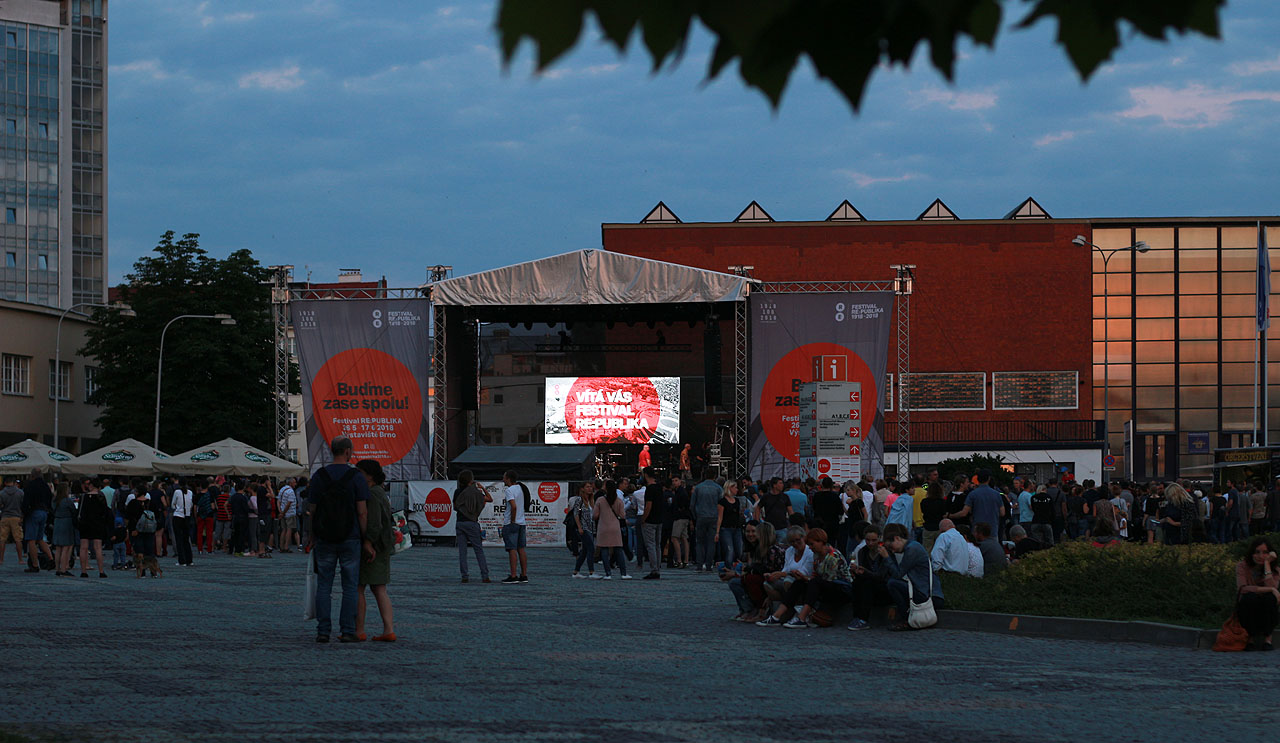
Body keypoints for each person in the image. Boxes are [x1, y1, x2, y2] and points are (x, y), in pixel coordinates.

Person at [308, 436, 371, 643]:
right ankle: (347, 630)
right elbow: (362, 512)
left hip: (325, 538)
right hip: (350, 537)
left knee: (324, 586)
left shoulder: (319, 476)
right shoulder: (356, 477)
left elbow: (312, 510)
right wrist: (366, 538)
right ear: (347, 451)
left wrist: (312, 534)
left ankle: (323, 631)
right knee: (350, 586)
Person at [757, 528, 850, 628]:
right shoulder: (816, 555)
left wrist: (806, 578)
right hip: (824, 584)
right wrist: (803, 578)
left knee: (812, 583)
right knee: (798, 583)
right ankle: (776, 616)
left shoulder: (833, 556)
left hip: (841, 587)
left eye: (811, 544)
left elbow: (827, 580)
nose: (809, 547)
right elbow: (815, 576)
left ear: (821, 542)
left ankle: (801, 617)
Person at [354, 459, 395, 642]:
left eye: (360, 473)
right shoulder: (380, 492)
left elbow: (374, 523)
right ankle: (388, 629)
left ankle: (359, 630)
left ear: (368, 476)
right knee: (380, 589)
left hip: (374, 546)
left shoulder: (371, 494)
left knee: (359, 587)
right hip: (384, 546)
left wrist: (368, 542)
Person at [880, 523, 944, 631]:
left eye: (891, 547)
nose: (893, 551)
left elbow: (898, 574)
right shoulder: (913, 546)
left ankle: (906, 619)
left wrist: (887, 557)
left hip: (927, 594)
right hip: (926, 591)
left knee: (892, 584)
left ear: (897, 538)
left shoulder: (912, 549)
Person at [756, 525, 816, 626]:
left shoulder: (809, 553)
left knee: (789, 581)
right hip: (788, 580)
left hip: (802, 581)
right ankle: (785, 610)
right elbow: (786, 569)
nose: (795, 544)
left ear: (803, 538)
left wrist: (782, 574)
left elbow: (804, 572)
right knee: (767, 583)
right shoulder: (789, 551)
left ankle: (786, 612)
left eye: (798, 540)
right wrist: (773, 576)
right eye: (792, 542)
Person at [1235, 537, 1279, 651]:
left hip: (1266, 604)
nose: (1260, 556)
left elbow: (1273, 587)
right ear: (1252, 553)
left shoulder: (1276, 570)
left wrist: (1267, 564)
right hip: (1248, 603)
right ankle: (1250, 639)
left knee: (1270, 599)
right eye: (1257, 552)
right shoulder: (1242, 566)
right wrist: (1269, 590)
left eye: (1265, 553)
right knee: (1250, 598)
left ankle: (1268, 640)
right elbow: (1243, 588)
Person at [846, 525, 893, 631]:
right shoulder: (863, 551)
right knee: (857, 582)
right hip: (870, 585)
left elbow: (882, 576)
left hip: (884, 587)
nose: (870, 543)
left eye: (874, 540)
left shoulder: (884, 552)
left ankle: (863, 619)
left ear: (879, 538)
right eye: (868, 540)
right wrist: (857, 572)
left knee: (867, 583)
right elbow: (865, 574)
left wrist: (865, 572)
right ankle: (857, 616)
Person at [453, 470, 492, 583]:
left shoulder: (457, 492)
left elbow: (455, 506)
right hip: (472, 522)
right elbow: (489, 499)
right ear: (471, 480)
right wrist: (482, 488)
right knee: (478, 550)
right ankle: (485, 575)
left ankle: (464, 576)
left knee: (462, 552)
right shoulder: (476, 493)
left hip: (460, 522)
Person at [592, 482, 629, 579]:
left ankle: (608, 573)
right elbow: (622, 515)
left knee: (604, 550)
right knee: (618, 550)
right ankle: (623, 573)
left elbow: (595, 515)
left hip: (603, 527)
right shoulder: (619, 501)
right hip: (615, 527)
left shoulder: (600, 500)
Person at [500, 470, 531, 584]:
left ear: (508, 478)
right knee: (521, 549)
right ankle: (524, 574)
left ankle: (513, 576)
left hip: (512, 523)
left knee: (511, 549)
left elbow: (513, 506)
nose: (503, 479)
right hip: (522, 522)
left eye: (504, 477)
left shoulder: (509, 490)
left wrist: (512, 520)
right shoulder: (521, 488)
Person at [77, 479, 111, 579]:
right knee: (98, 548)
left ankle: (83, 571)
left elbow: (79, 511)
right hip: (97, 524)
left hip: (85, 524)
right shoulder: (101, 497)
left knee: (83, 547)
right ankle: (101, 571)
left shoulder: (83, 497)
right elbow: (105, 512)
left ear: (90, 485)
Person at [22, 470, 54, 572]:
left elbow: (26, 501)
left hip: (33, 513)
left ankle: (35, 565)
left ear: (32, 476)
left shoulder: (30, 486)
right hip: (44, 513)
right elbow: (50, 499)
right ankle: (51, 559)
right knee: (40, 538)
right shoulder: (46, 486)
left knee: (31, 540)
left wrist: (24, 514)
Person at [691, 468, 722, 572]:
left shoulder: (698, 488)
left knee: (699, 542)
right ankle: (709, 565)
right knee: (711, 542)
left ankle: (699, 564)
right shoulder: (718, 488)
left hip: (701, 516)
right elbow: (721, 504)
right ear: (714, 476)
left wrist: (695, 516)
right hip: (713, 517)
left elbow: (692, 505)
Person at [714, 478, 745, 569]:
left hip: (737, 528)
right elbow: (720, 517)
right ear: (730, 488)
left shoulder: (737, 501)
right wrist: (717, 532)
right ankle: (729, 568)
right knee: (729, 550)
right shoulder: (722, 501)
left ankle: (736, 566)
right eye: (735, 487)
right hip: (726, 528)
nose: (737, 489)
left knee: (739, 550)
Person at [966, 470, 1005, 542]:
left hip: (977, 531)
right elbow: (1002, 513)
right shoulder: (997, 494)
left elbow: (967, 511)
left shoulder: (972, 494)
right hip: (992, 530)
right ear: (989, 479)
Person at [640, 470, 665, 579]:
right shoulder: (659, 488)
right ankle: (657, 568)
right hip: (659, 518)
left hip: (650, 520)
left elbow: (648, 505)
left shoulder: (649, 489)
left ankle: (654, 569)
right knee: (657, 545)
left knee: (650, 545)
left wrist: (643, 518)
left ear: (645, 475)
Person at [570, 483, 597, 579]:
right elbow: (576, 514)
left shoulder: (591, 500)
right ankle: (591, 572)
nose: (590, 489)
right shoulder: (579, 500)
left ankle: (576, 571)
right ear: (582, 489)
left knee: (585, 551)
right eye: (587, 487)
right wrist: (579, 527)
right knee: (591, 548)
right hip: (583, 527)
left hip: (590, 527)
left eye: (590, 487)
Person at [51, 482, 77, 577]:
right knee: (66, 548)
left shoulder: (54, 501)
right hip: (66, 522)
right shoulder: (67, 501)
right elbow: (74, 511)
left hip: (57, 522)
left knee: (58, 548)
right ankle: (63, 569)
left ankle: (57, 568)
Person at [0, 474, 24, 567]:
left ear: (5, 483)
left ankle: (1, 559)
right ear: (14, 483)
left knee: (2, 539)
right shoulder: (20, 492)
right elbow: (23, 505)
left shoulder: (2, 493)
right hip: (16, 517)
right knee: (18, 539)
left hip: (5, 516)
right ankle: (20, 559)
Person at [170, 478, 194, 567]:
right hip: (187, 516)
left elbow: (173, 504)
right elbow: (191, 504)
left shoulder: (177, 492)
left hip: (178, 516)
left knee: (178, 539)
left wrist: (177, 507)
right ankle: (189, 559)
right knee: (186, 539)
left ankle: (182, 560)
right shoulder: (190, 492)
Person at [669, 477, 691, 568]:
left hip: (680, 518)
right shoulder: (681, 492)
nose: (674, 483)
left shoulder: (680, 493)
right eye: (673, 481)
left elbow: (682, 505)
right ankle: (685, 560)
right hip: (684, 517)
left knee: (675, 538)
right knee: (684, 538)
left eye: (676, 480)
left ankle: (679, 560)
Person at [277, 478, 298, 553]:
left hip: (283, 513)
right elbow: (289, 503)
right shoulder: (291, 491)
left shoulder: (282, 489)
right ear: (290, 483)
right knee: (289, 530)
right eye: (294, 482)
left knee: (283, 530)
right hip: (290, 513)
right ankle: (286, 547)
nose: (295, 484)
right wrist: (283, 512)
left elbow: (278, 501)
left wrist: (280, 511)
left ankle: (281, 546)